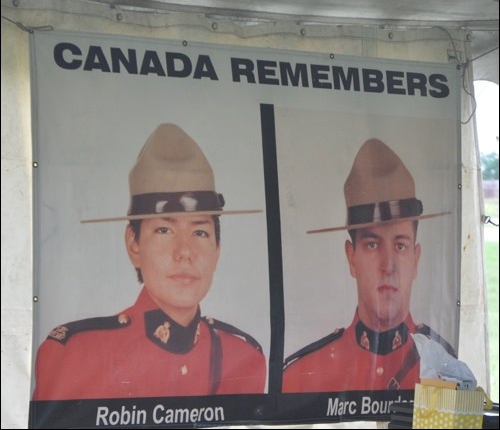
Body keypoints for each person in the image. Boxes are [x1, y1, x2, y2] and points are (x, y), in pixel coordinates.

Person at [32, 124, 266, 400]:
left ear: (217, 249)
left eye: (200, 232)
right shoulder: (76, 353)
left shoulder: (243, 356)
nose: (184, 252)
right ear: (134, 244)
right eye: (164, 230)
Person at [282, 138, 456, 393]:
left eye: (400, 246)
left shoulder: (445, 365)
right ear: (351, 257)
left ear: (416, 259)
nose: (388, 266)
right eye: (372, 245)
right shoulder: (301, 374)